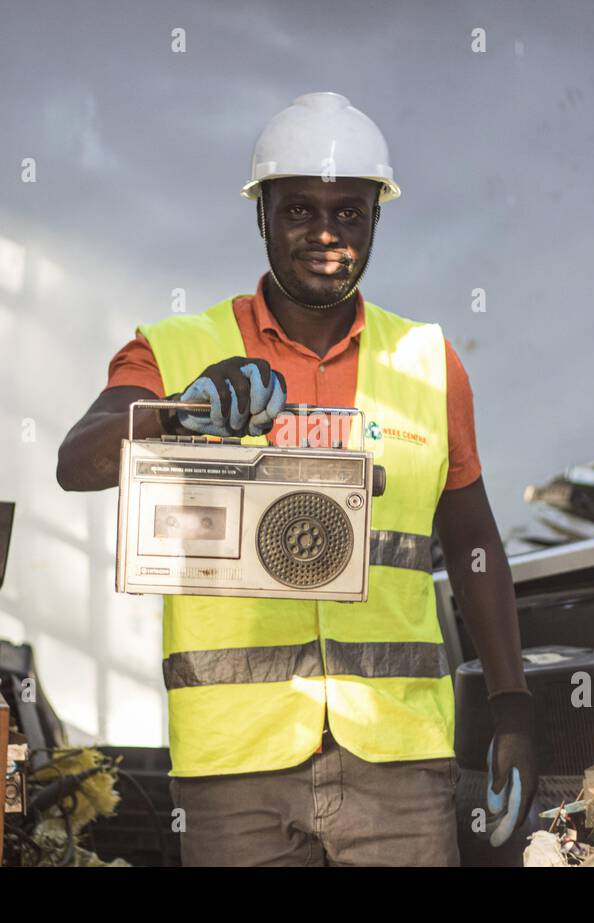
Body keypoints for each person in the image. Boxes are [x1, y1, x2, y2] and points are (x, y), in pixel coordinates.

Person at [57, 92, 535, 866]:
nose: (324, 234)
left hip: (398, 757)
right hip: (234, 769)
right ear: (261, 216)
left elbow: (474, 542)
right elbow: (76, 460)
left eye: (349, 213)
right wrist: (181, 413)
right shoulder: (177, 350)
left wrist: (513, 710)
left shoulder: (426, 361)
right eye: (298, 212)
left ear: (378, 217)